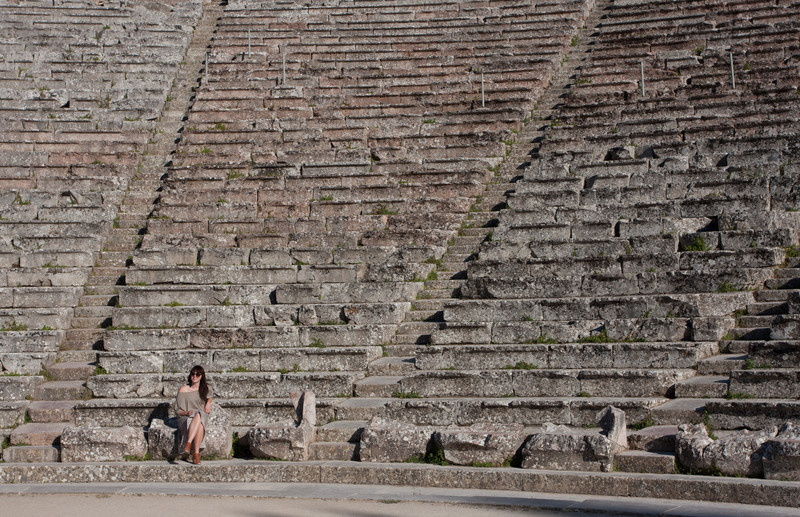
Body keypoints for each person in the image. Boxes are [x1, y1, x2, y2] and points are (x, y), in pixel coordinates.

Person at [174, 365, 212, 465]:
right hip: (185, 417)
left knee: (199, 414)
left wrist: (208, 403)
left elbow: (210, 396)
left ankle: (188, 443)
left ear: (201, 376)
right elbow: (177, 410)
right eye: (193, 373)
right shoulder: (183, 389)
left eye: (198, 374)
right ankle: (196, 454)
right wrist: (187, 413)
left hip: (199, 417)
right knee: (199, 419)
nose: (195, 376)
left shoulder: (205, 389)